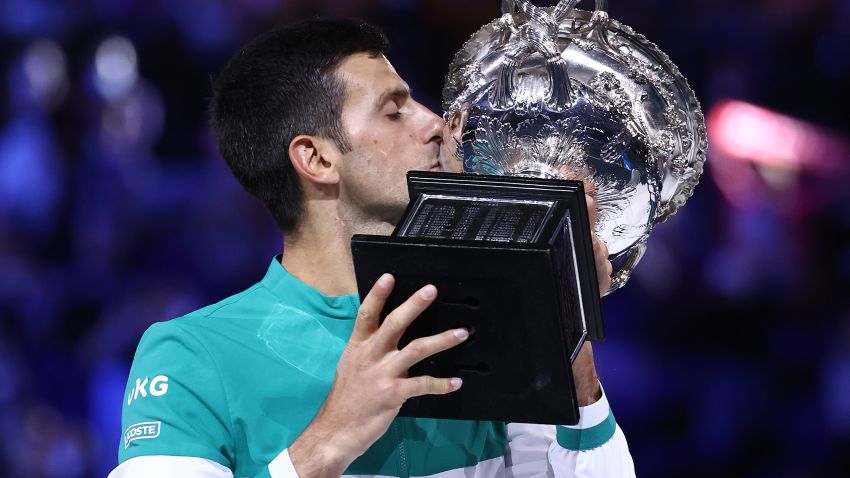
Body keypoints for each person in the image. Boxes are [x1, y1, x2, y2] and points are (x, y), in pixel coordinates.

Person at [108, 18, 635, 478]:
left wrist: (563, 319)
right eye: (394, 111)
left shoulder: (484, 318)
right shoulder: (192, 356)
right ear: (315, 158)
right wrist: (330, 438)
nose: (434, 124)